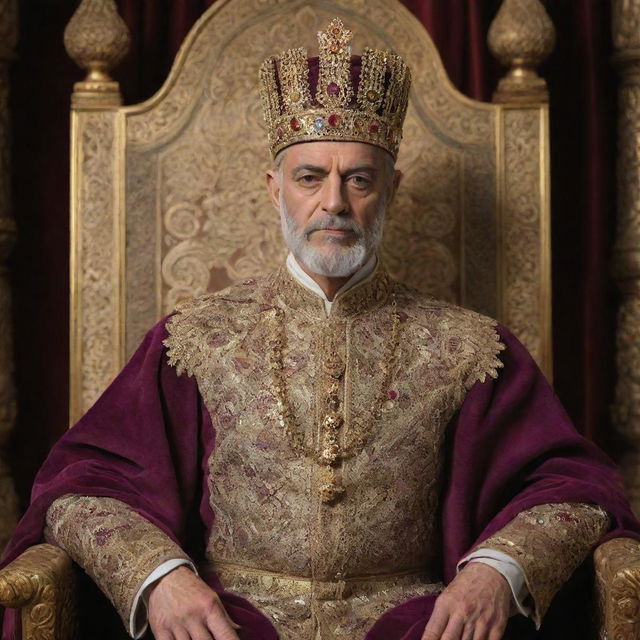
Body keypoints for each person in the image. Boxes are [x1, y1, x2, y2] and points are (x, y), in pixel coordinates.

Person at [2, 16, 639, 640]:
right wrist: (162, 576)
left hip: (415, 621)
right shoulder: (193, 340)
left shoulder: (470, 348)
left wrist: (496, 572)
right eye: (310, 177)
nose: (334, 201)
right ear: (275, 190)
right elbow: (81, 489)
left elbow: (578, 490)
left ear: (391, 187)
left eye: (358, 178)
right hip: (227, 619)